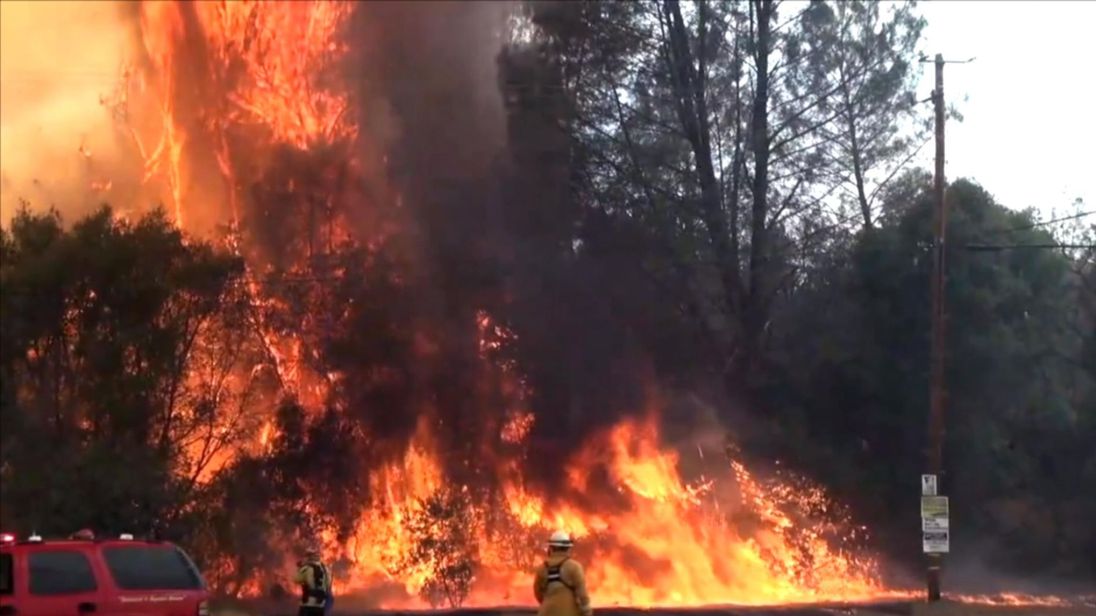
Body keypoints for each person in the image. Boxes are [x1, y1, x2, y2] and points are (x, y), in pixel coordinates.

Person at [533, 530, 592, 616]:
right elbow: (583, 597)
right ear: (568, 548)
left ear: (551, 548)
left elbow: (538, 594)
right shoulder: (574, 567)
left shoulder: (542, 569)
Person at [294, 545, 331, 616]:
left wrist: (300, 568)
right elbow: (328, 584)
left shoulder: (307, 568)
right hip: (321, 604)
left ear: (309, 557)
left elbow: (296, 579)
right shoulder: (326, 569)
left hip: (308, 604)